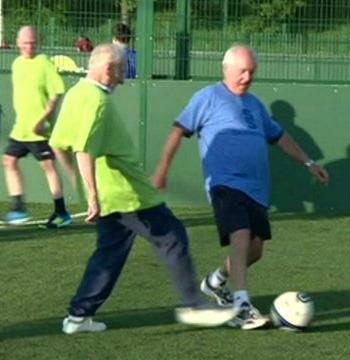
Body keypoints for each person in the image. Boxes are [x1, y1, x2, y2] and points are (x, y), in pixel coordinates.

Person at [49, 43, 237, 334]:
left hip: (112, 195)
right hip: (128, 194)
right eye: (122, 71)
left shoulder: (76, 92)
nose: (124, 78)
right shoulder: (96, 102)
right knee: (173, 236)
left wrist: (81, 186)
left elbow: (58, 144)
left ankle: (78, 317)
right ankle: (194, 306)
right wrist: (93, 194)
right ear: (108, 69)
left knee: (109, 253)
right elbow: (83, 150)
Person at [151, 45, 330, 330]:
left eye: (252, 71)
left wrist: (309, 163)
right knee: (241, 234)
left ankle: (216, 281)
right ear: (227, 70)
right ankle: (241, 306)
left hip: (256, 189)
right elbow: (178, 130)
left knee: (255, 250)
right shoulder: (207, 97)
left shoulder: (255, 105)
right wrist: (162, 171)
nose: (247, 77)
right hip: (225, 184)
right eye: (242, 71)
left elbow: (280, 137)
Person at [2, 26, 72, 227]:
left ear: (37, 43)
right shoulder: (16, 64)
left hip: (40, 131)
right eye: (25, 43)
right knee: (9, 161)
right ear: (17, 43)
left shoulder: (44, 63)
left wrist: (43, 120)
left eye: (32, 43)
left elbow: (56, 93)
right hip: (20, 130)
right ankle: (18, 209)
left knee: (48, 167)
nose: (28, 47)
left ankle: (61, 212)